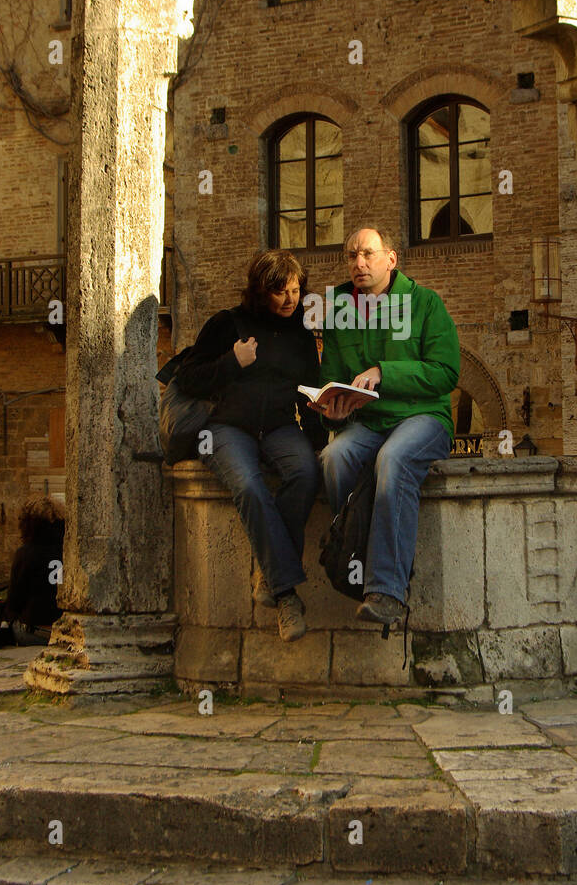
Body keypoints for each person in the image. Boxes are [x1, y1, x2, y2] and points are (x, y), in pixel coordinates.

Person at [311, 225, 459, 629]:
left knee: (393, 460)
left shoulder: (426, 303)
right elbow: (334, 374)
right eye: (352, 256)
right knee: (334, 456)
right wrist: (333, 409)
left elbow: (446, 372)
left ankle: (389, 590)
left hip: (422, 416)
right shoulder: (340, 305)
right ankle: (353, 557)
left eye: (368, 254)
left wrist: (385, 372)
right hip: (369, 420)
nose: (359, 263)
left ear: (390, 259)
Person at [175, 250, 323, 643]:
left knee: (306, 473)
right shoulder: (227, 324)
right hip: (225, 428)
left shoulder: (300, 335)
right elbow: (188, 377)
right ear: (261, 291)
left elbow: (308, 397)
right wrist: (231, 362)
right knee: (249, 487)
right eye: (280, 292)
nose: (290, 300)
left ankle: (267, 570)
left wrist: (318, 441)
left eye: (295, 290)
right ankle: (287, 595)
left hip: (278, 427)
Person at [5, 496, 64, 646]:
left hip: (36, 629)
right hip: (63, 628)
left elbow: (14, 599)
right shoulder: (68, 552)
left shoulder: (25, 554)